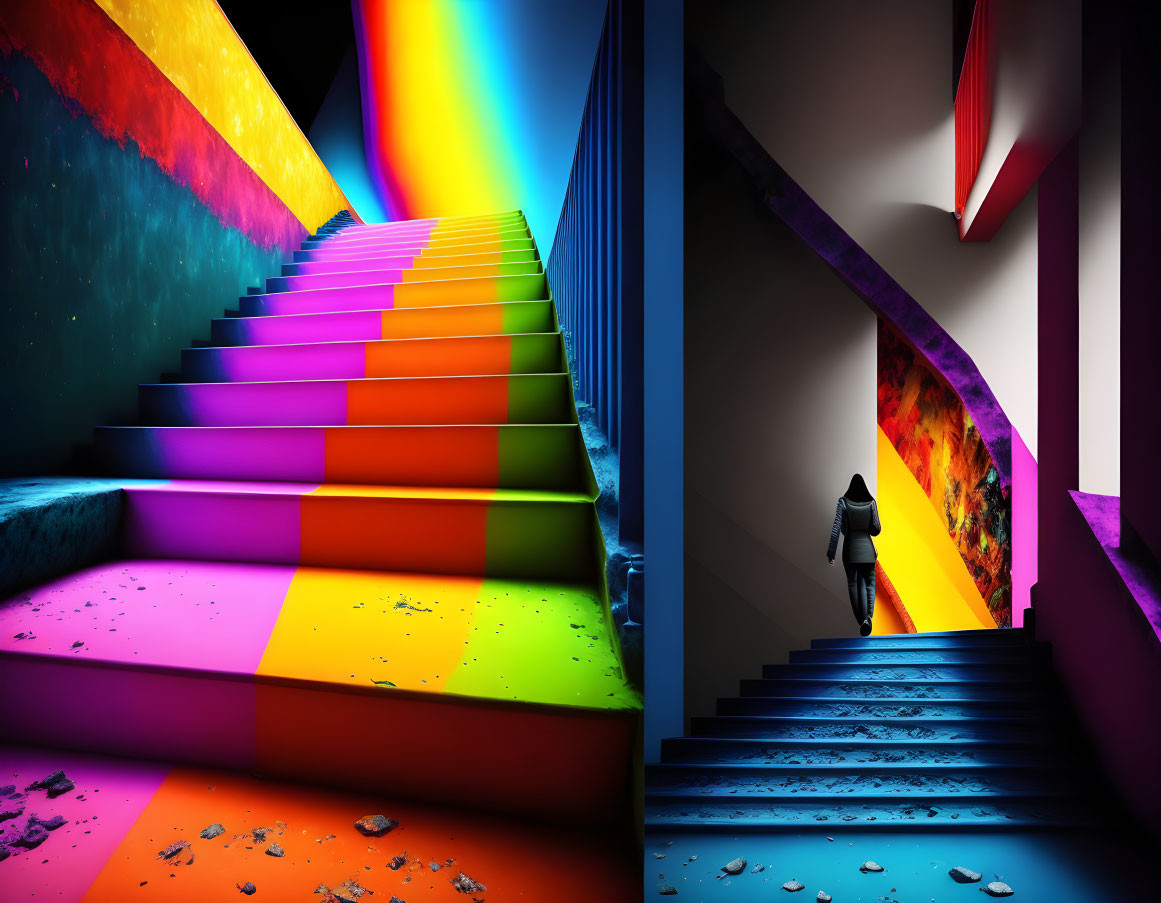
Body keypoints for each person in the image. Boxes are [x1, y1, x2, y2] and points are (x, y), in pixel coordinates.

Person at [826, 473, 881, 636]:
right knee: (869, 584)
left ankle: (862, 620)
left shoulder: (843, 502)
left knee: (854, 585)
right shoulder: (871, 503)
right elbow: (877, 529)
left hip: (850, 551)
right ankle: (868, 618)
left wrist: (831, 553)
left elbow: (837, 528)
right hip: (868, 551)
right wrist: (865, 526)